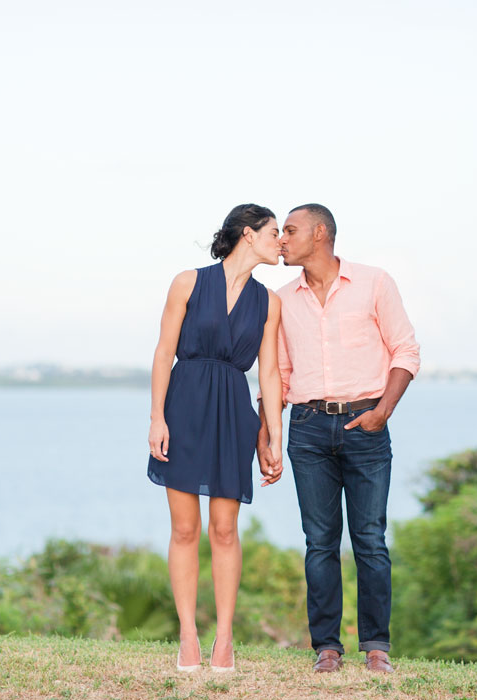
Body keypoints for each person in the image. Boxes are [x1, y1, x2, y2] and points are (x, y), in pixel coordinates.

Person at [257, 203, 420, 674]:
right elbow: (279, 376)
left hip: (365, 425)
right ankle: (326, 647)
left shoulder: (374, 282)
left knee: (370, 539)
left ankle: (376, 647)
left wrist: (381, 412)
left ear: (321, 233)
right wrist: (267, 435)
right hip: (308, 430)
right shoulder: (282, 299)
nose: (282, 239)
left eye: (290, 230)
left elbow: (405, 349)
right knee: (319, 542)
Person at [147, 203, 285, 672]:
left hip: (232, 411)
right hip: (183, 407)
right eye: (273, 233)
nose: (280, 241)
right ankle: (188, 635)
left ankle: (224, 638)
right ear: (248, 234)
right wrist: (156, 418)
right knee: (184, 528)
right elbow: (164, 351)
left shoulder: (270, 302)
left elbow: (268, 371)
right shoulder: (188, 282)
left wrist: (272, 435)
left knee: (224, 530)